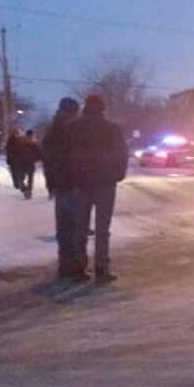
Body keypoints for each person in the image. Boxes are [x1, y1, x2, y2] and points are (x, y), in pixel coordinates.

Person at [64, 94, 129, 283]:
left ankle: (79, 267)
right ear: (102, 108)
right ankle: (101, 267)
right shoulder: (112, 128)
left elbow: (66, 155)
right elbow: (122, 153)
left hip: (81, 183)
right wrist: (117, 175)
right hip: (105, 183)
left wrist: (71, 176)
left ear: (85, 107)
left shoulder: (73, 128)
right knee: (102, 228)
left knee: (80, 227)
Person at [41, 97, 84, 280]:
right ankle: (75, 267)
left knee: (64, 228)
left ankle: (65, 266)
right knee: (75, 228)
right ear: (72, 112)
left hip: (60, 184)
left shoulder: (52, 130)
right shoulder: (72, 130)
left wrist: (51, 183)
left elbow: (47, 160)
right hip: (73, 183)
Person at [16, 129, 41, 199]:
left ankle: (28, 191)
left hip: (30, 163)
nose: (30, 138)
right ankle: (25, 190)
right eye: (29, 137)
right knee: (20, 179)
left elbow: (39, 154)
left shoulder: (35, 144)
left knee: (30, 178)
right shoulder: (21, 143)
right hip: (21, 164)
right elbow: (16, 152)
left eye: (31, 137)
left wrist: (36, 158)